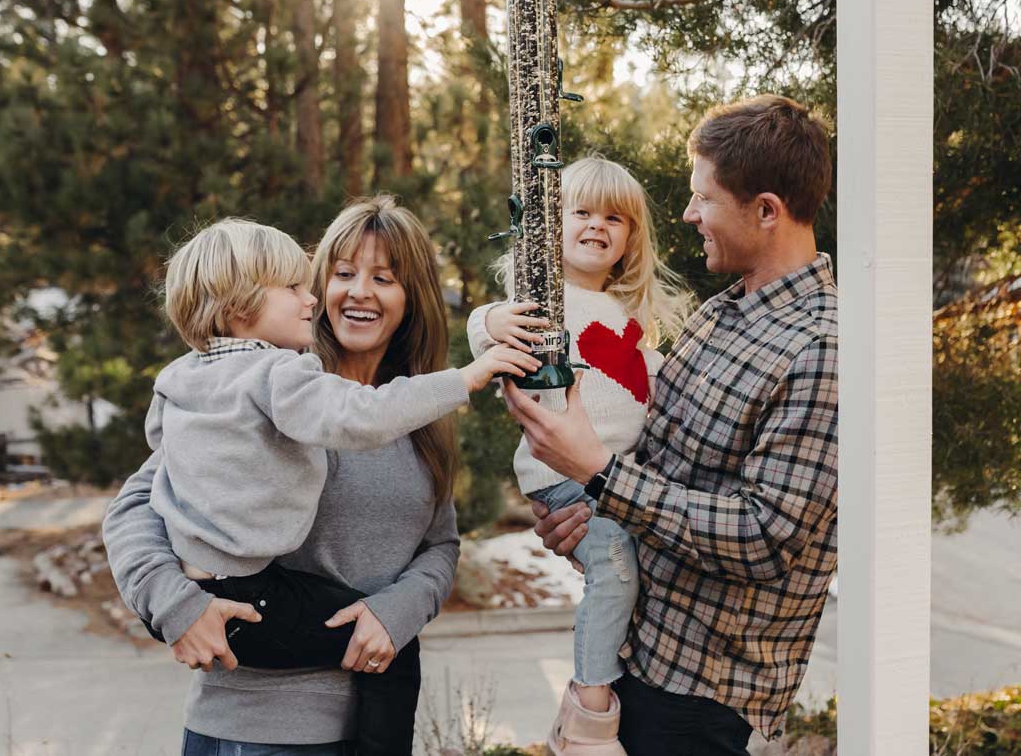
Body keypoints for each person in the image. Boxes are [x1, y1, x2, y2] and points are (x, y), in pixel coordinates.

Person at [104, 196, 518, 755]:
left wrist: (397, 612)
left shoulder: (418, 417)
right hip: (254, 727)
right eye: (342, 274)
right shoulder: (268, 389)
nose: (359, 292)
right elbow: (137, 508)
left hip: (366, 723)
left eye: (384, 278)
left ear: (411, 296)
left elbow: (439, 546)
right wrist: (175, 605)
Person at [503, 95, 838, 756]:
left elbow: (765, 535)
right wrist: (584, 507)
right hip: (637, 662)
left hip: (702, 701)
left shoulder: (821, 346)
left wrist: (599, 473)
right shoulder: (720, 315)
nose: (688, 215)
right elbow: (651, 459)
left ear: (767, 211)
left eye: (704, 198)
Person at [467, 156, 692, 755]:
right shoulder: (544, 300)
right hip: (563, 477)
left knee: (637, 576)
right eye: (582, 211)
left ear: (631, 236)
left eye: (615, 217)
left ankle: (610, 673)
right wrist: (492, 317)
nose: (598, 225)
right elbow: (481, 330)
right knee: (616, 563)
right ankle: (589, 716)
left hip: (622, 478)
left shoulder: (633, 319)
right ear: (552, 226)